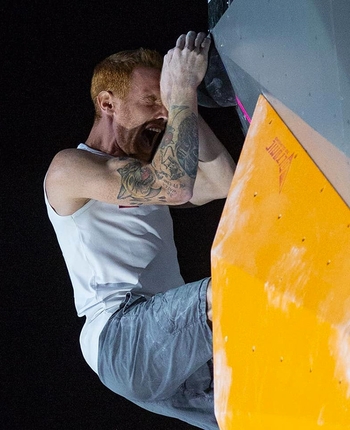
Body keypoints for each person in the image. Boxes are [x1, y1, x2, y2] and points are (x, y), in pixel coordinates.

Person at [44, 31, 235, 429]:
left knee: (263, 409)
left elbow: (223, 182)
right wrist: (181, 89)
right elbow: (173, 184)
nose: (161, 114)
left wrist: (181, 105)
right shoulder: (68, 169)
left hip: (178, 343)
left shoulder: (147, 171)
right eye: (151, 101)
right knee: (238, 287)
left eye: (163, 106)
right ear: (107, 103)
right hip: (123, 336)